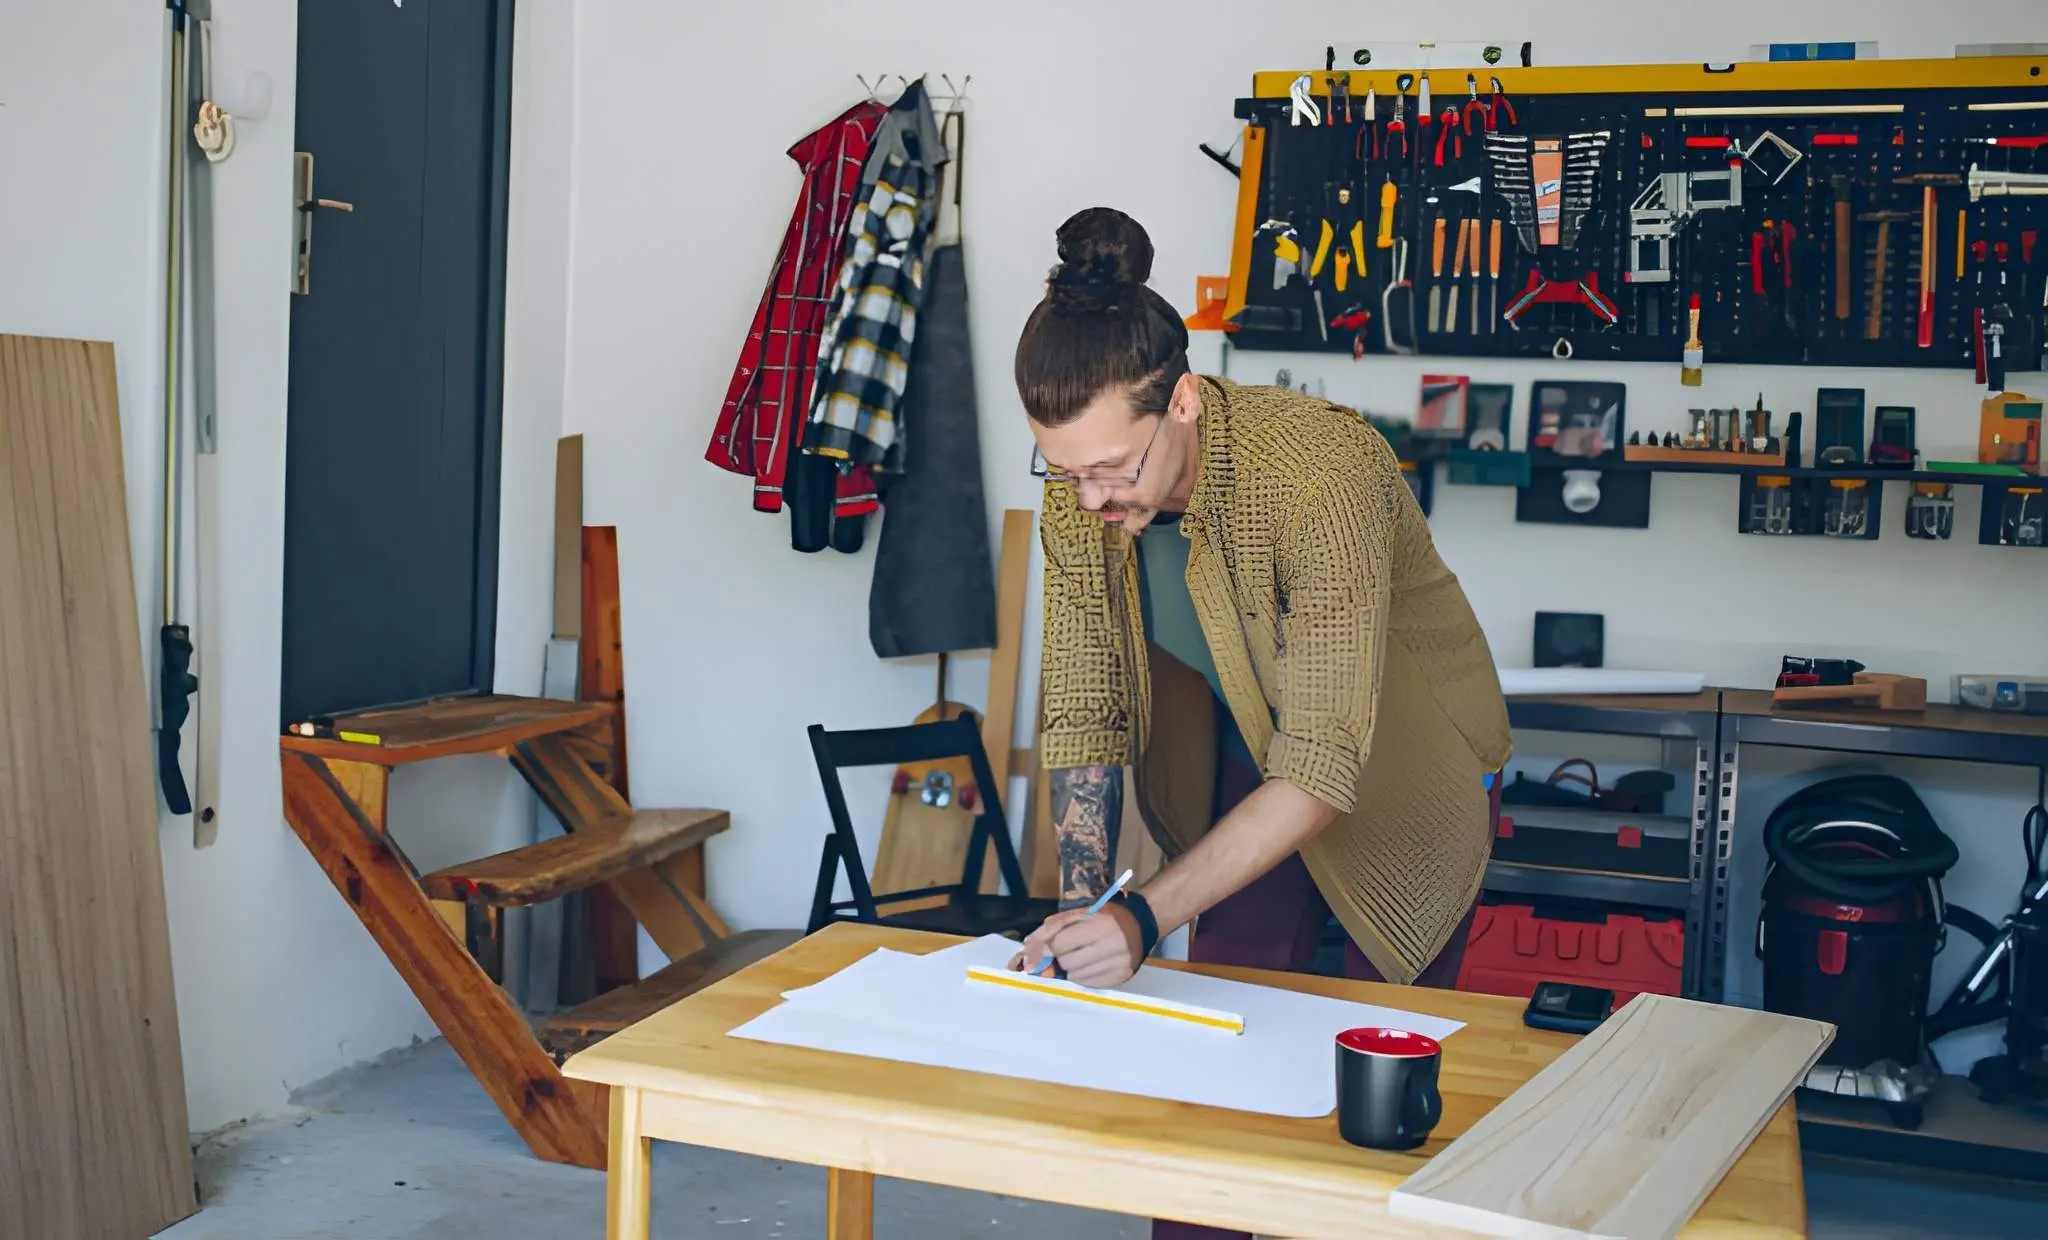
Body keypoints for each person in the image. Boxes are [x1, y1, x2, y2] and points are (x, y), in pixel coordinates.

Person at [1008, 209, 1511, 1230]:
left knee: (1372, 1112)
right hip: (1254, 761)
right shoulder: (1082, 495)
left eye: (1113, 466)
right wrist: (1084, 908)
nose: (1091, 495)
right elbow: (1082, 708)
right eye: (1065, 471)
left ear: (1183, 399)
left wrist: (1145, 915)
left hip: (1405, 767)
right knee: (1215, 1077)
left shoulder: (1319, 473)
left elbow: (1326, 763)